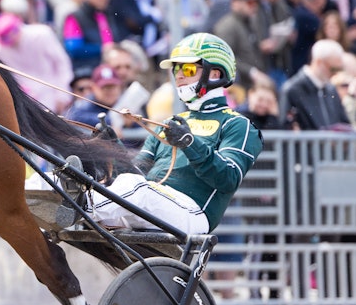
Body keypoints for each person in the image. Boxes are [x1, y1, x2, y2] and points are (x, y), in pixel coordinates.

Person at [86, 33, 263, 235]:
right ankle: (65, 198)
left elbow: (228, 179)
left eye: (187, 69)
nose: (179, 76)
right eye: (176, 69)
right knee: (73, 178)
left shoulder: (238, 125)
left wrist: (189, 143)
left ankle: (80, 207)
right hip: (151, 204)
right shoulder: (170, 123)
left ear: (215, 74)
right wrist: (112, 147)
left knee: (135, 189)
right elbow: (138, 172)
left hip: (193, 214)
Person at [0, 0, 73, 115]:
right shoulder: (0, 49)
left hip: (53, 92)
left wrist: (63, 94)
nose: (11, 41)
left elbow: (62, 62)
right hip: (26, 103)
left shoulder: (41, 34)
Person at [280, 39, 350, 131]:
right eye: (333, 69)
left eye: (339, 69)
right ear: (319, 62)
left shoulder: (331, 89)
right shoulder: (292, 90)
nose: (336, 74)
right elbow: (287, 130)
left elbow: (345, 124)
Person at [62, 0, 114, 73]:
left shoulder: (105, 13)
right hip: (86, 70)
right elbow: (73, 49)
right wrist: (101, 49)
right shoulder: (74, 17)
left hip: (107, 66)